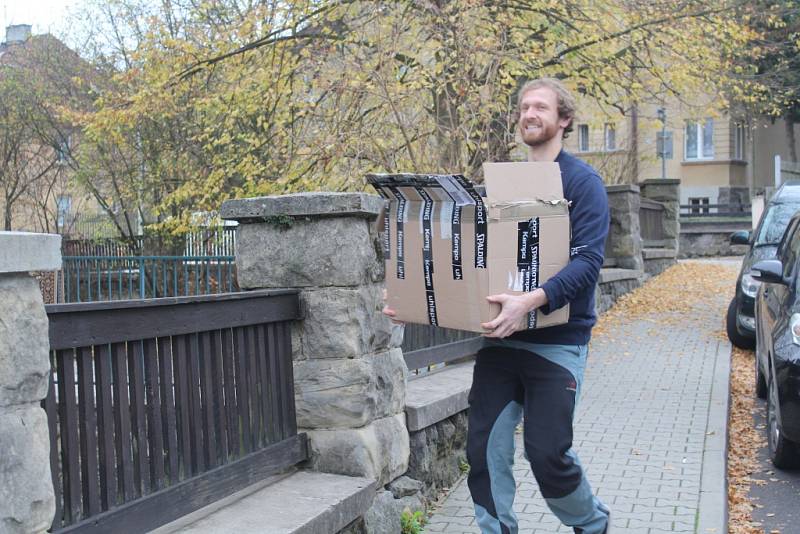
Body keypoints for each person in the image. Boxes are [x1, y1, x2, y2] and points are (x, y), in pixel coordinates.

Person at [384, 77, 610, 534]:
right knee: (484, 450)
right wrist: (417, 303)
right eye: (524, 106)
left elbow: (588, 262)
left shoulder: (583, 183)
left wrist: (532, 301)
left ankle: (590, 522)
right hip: (501, 344)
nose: (529, 113)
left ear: (563, 120)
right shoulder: (503, 185)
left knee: (547, 455)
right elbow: (473, 263)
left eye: (540, 107)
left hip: (557, 343)